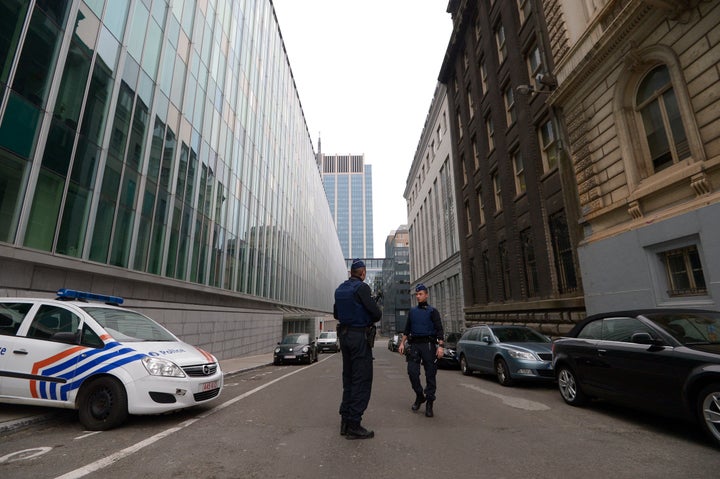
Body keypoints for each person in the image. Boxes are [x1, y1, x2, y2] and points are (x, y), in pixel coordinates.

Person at [334, 259, 382, 439]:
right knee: (362, 379)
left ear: (350, 272)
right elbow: (377, 314)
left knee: (349, 378)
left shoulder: (340, 289)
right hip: (358, 337)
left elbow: (336, 314)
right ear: (362, 273)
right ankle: (354, 424)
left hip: (344, 337)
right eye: (365, 272)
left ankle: (345, 421)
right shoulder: (362, 288)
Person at [398, 283, 445, 417]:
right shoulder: (412, 312)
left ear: (426, 295)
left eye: (420, 294)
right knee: (412, 373)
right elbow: (407, 329)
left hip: (429, 345)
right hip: (415, 346)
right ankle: (420, 395)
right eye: (417, 294)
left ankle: (429, 402)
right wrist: (402, 343)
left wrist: (441, 346)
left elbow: (439, 330)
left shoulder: (432, 311)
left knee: (430, 375)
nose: (418, 296)